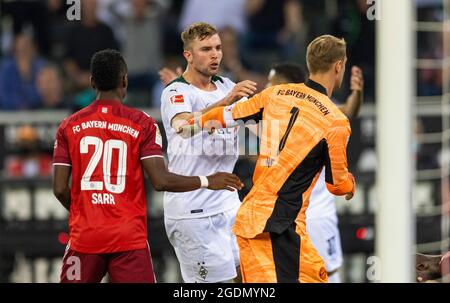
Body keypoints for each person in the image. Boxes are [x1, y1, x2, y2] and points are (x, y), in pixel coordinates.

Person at [52, 49, 243, 283]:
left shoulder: (68, 126)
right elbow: (161, 180)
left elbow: (60, 189)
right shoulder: (142, 123)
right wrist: (207, 180)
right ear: (125, 81)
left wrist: (85, 213)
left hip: (85, 237)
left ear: (92, 82)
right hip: (128, 239)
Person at [182, 35, 356, 282]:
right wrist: (350, 184)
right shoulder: (336, 121)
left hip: (252, 219)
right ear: (339, 66)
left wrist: (189, 123)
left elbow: (228, 115)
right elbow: (337, 185)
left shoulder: (274, 94)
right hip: (282, 225)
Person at [160, 22, 257, 283]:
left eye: (218, 48)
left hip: (228, 204)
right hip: (193, 211)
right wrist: (226, 103)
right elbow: (183, 126)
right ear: (188, 55)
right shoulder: (176, 92)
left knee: (250, 278)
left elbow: (260, 128)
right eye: (205, 49)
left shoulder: (229, 86)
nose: (214, 55)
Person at [266, 62, 364, 283]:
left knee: (326, 274)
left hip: (316, 215)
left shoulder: (318, 111)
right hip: (285, 218)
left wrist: (357, 93)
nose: (268, 89)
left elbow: (350, 110)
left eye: (273, 84)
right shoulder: (270, 118)